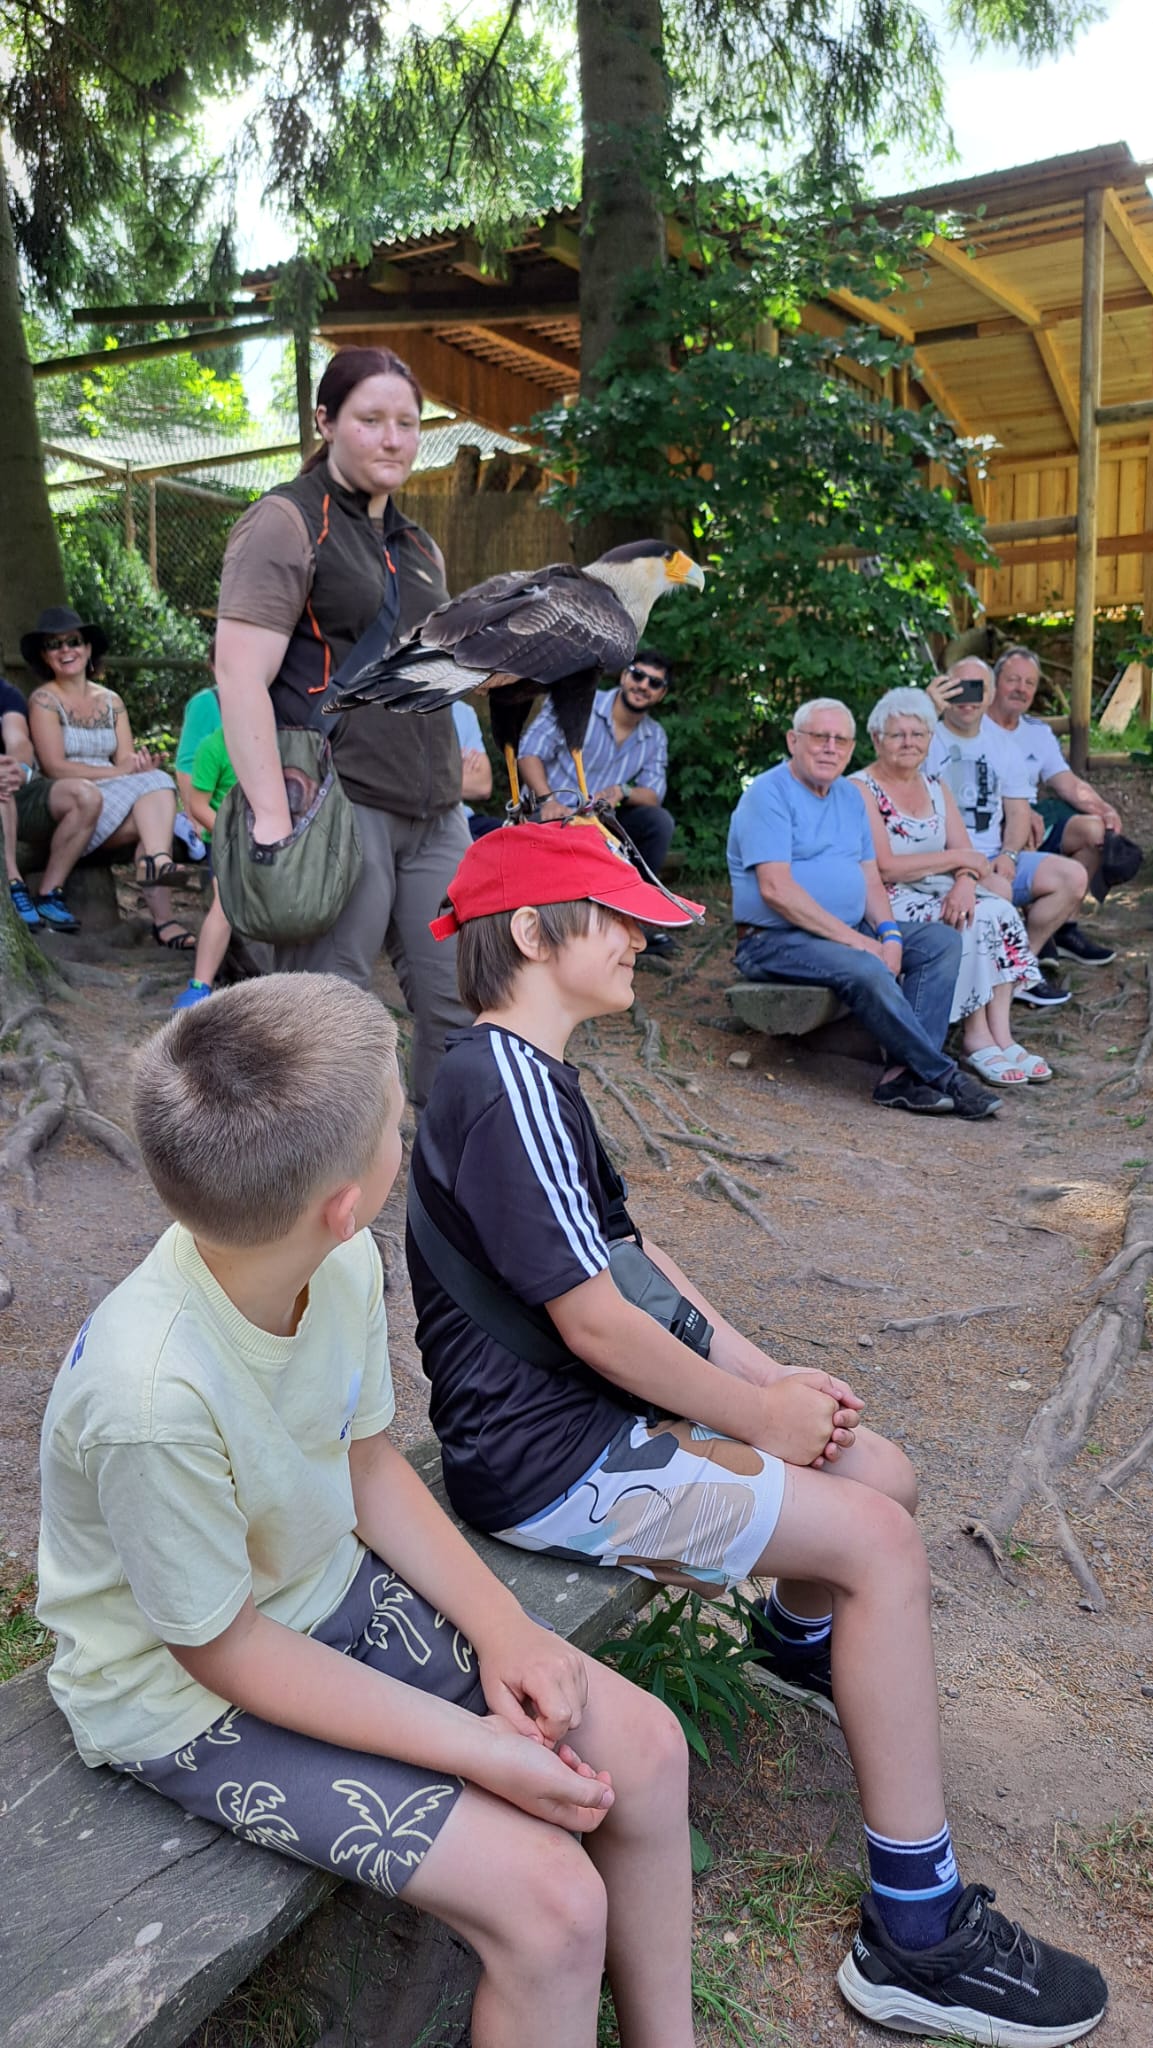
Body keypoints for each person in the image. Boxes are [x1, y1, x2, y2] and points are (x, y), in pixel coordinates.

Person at [408, 821, 1107, 2047]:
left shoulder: (529, 1070)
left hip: (585, 1430)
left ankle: (796, 1643)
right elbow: (596, 1328)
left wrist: (765, 1373)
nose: (639, 938)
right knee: (882, 1542)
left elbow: (632, 1263)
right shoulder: (501, 1078)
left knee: (875, 1466)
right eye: (615, 915)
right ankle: (916, 1928)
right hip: (549, 1461)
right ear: (530, 931)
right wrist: (751, 1417)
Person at [37, 973, 694, 2048]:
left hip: (316, 1592)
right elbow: (222, 1649)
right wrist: (477, 1749)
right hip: (183, 1691)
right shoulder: (148, 1396)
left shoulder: (335, 1257)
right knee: (554, 1903)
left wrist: (507, 1630)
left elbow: (367, 1463)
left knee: (648, 1749)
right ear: (345, 1196)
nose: (408, 1127)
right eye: (398, 1119)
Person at [215, 345, 471, 1110]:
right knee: (330, 1010)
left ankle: (449, 1179)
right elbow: (238, 675)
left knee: (460, 1001)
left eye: (407, 422)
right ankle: (310, 1199)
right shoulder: (286, 521)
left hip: (435, 812)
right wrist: (269, 817)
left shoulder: (419, 545)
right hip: (339, 806)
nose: (393, 439)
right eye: (370, 421)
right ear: (326, 422)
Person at [727, 698, 999, 1119]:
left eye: (840, 740)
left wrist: (888, 933)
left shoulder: (850, 798)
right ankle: (943, 1076)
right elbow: (776, 889)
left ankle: (901, 1079)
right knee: (867, 966)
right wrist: (861, 944)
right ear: (793, 740)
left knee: (940, 941)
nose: (829, 747)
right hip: (774, 940)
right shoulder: (768, 794)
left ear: (852, 748)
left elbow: (870, 877)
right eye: (819, 737)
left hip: (845, 932)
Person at [853, 688, 1050, 1086]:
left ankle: (1002, 1035)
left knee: (997, 907)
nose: (909, 742)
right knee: (966, 918)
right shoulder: (861, 789)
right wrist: (959, 865)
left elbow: (968, 855)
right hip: (888, 900)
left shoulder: (934, 786)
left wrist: (964, 880)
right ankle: (975, 1040)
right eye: (898, 734)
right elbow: (886, 867)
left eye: (919, 733)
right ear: (877, 739)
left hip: (939, 887)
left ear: (930, 739)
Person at [23, 607, 194, 951]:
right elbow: (54, 766)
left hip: (112, 800)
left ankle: (163, 917)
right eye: (55, 645)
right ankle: (161, 867)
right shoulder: (43, 699)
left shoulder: (112, 701)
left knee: (155, 785)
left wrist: (139, 766)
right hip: (68, 804)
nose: (65, 650)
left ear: (88, 650)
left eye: (74, 642)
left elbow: (126, 761)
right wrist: (118, 772)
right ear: (45, 655)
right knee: (157, 788)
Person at [926, 660, 1084, 1009]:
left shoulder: (1002, 745)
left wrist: (1009, 855)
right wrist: (925, 711)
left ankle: (1017, 971)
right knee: (996, 890)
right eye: (957, 688)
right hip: (940, 860)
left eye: (976, 689)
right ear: (942, 689)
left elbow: (1018, 812)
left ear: (991, 694)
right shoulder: (923, 738)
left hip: (994, 853)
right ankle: (988, 992)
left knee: (1071, 876)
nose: (966, 699)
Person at [989, 644, 1140, 965]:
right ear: (994, 681)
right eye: (1013, 679)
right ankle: (1031, 943)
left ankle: (1064, 928)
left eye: (1029, 683)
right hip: (990, 818)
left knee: (1096, 831)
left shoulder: (1037, 733)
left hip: (1033, 812)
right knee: (1023, 831)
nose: (1021, 689)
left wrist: (1104, 809)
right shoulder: (974, 728)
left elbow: (1067, 782)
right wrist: (1017, 814)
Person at [518, 649, 679, 951]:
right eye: (638, 675)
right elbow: (528, 753)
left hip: (600, 822)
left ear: (661, 694)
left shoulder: (654, 737)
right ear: (623, 676)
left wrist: (624, 791)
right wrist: (547, 799)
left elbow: (653, 794)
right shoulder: (578, 702)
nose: (643, 685)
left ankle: (634, 916)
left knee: (657, 822)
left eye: (654, 683)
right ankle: (546, 927)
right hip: (553, 810)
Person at [0, 670, 98, 931]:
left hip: (15, 787)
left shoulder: (6, 693)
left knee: (85, 797)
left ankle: (49, 894)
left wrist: (17, 767)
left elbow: (18, 738)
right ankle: (12, 883)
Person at [170, 721, 237, 1010]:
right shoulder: (214, 746)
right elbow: (199, 805)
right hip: (223, 838)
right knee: (224, 904)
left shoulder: (277, 740)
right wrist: (234, 835)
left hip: (271, 839)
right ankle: (200, 985)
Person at [452, 697, 494, 830]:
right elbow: (411, 783)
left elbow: (483, 786)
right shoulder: (402, 706)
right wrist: (457, 770)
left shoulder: (463, 711)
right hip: (419, 825)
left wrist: (442, 772)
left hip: (463, 818)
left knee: (513, 840)